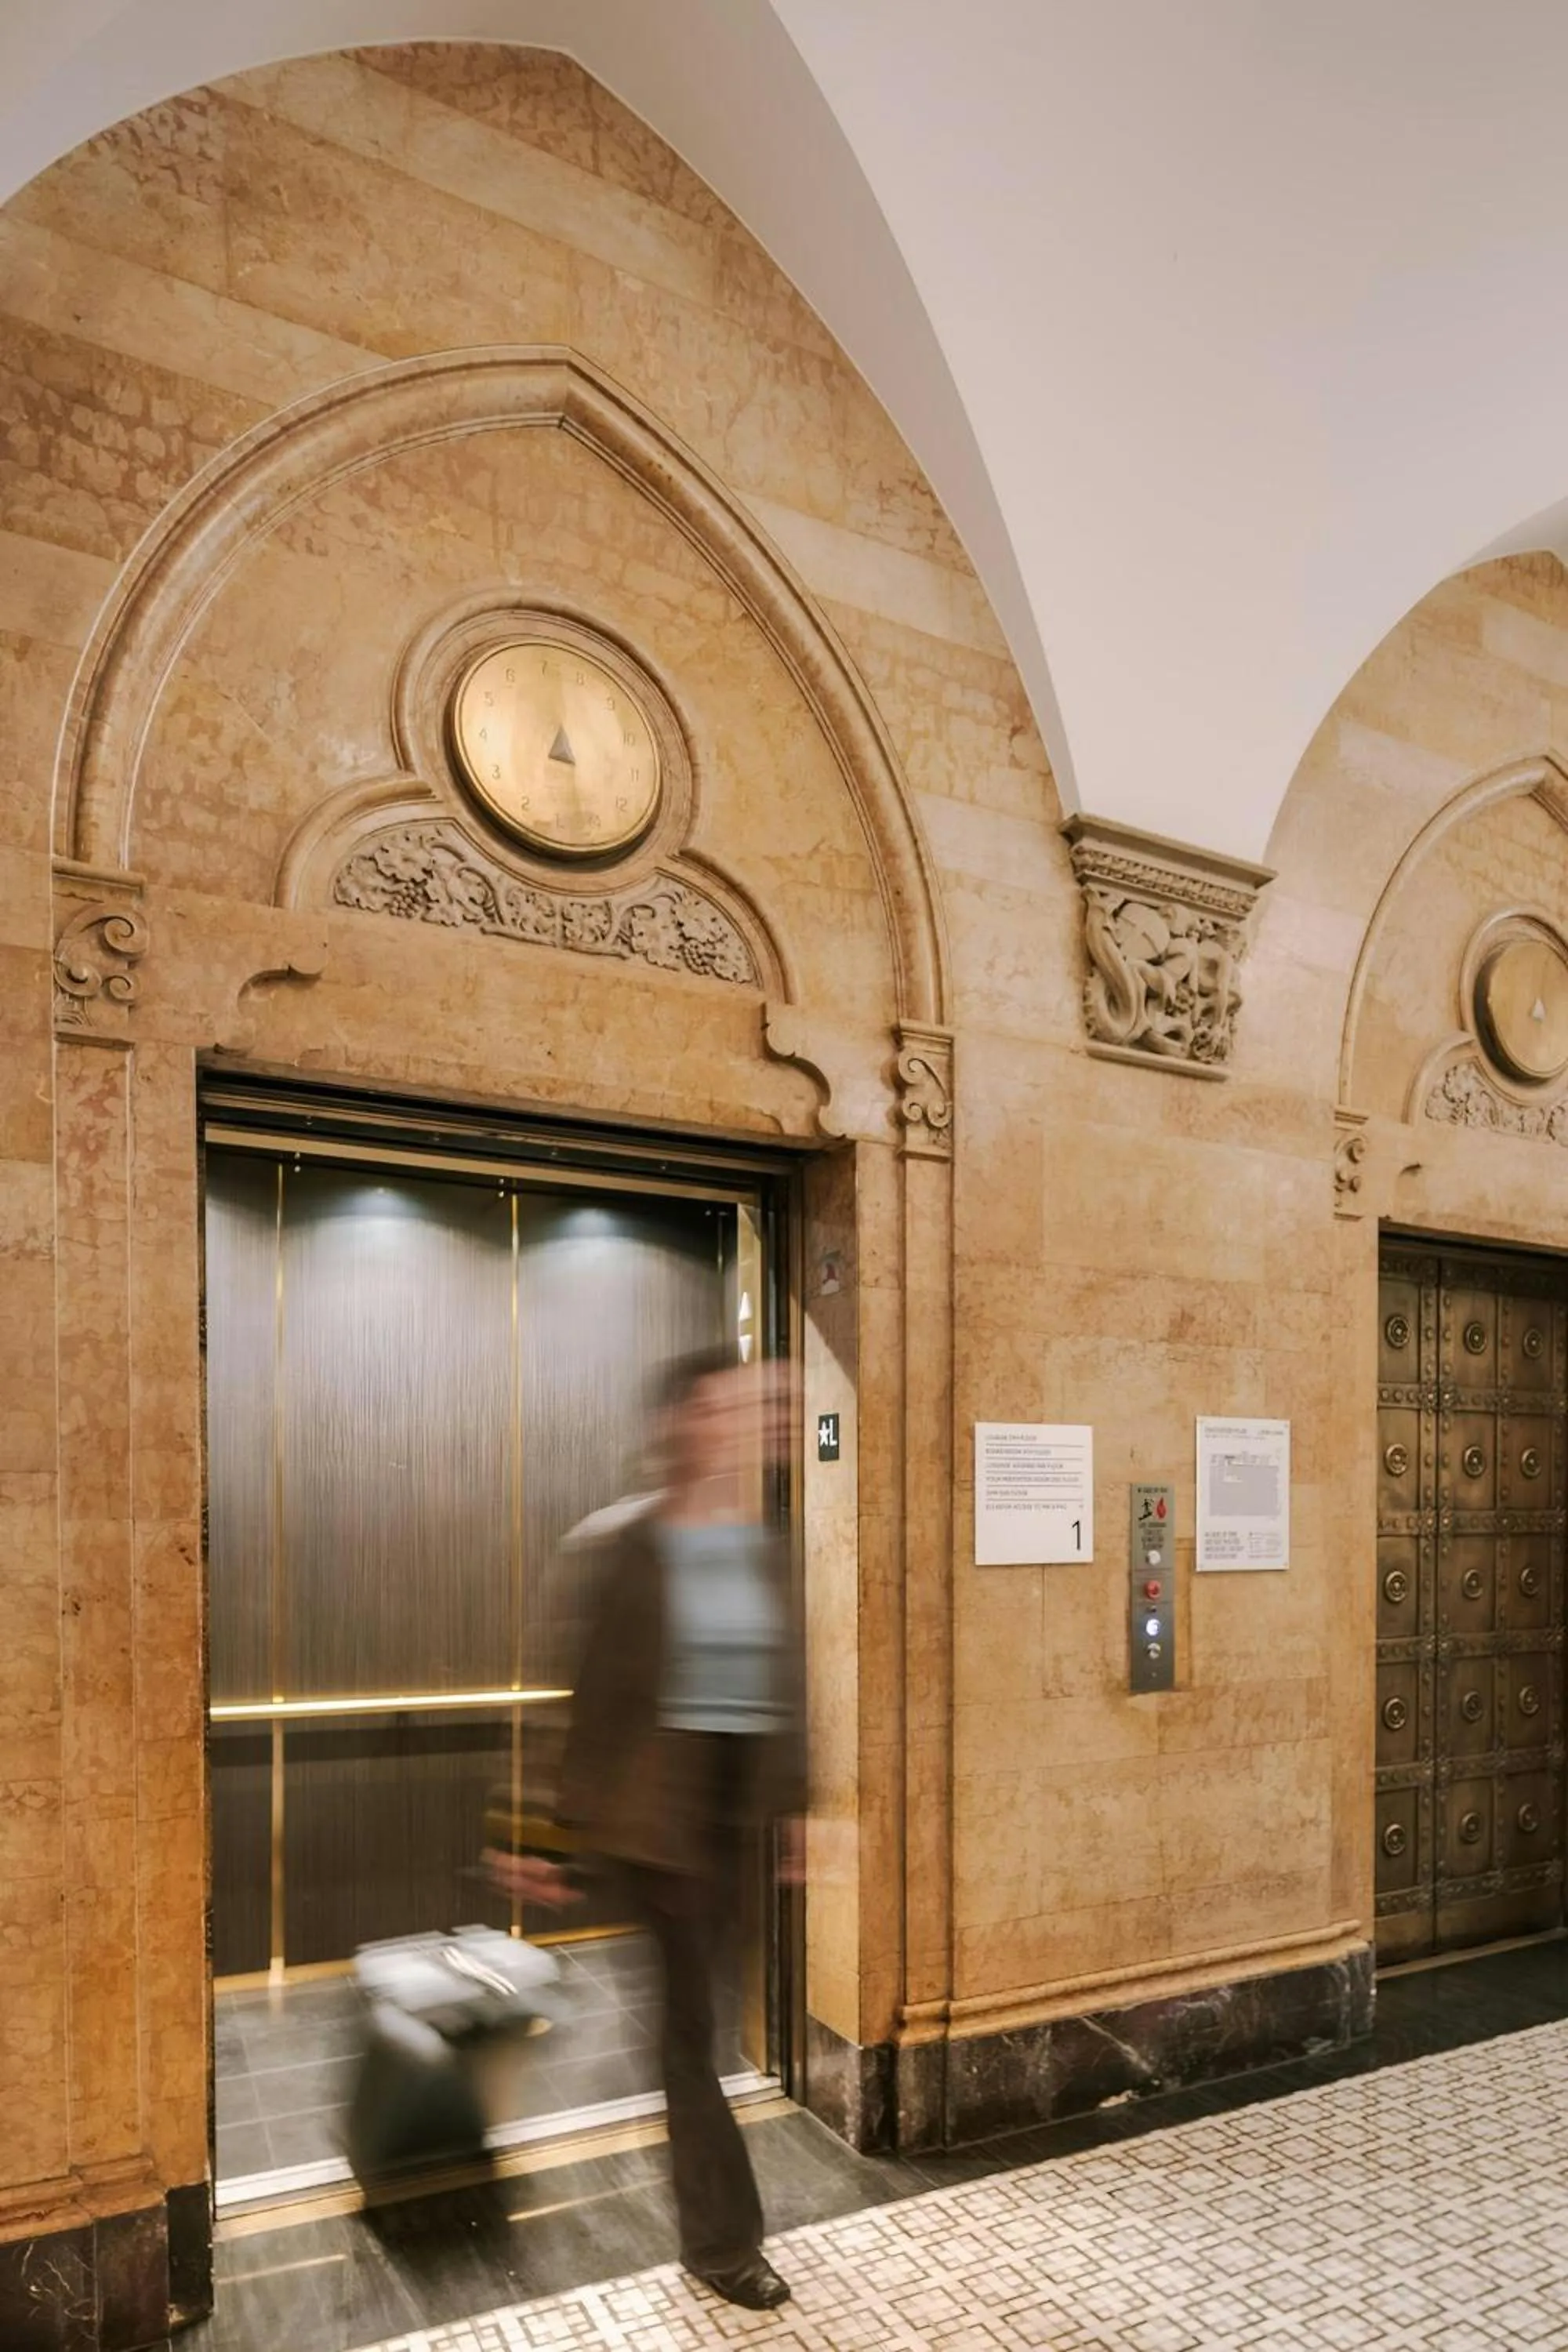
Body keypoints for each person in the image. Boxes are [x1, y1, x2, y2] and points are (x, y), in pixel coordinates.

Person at [487, 1348, 804, 2312]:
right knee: (691, 2037)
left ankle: (705, 2203)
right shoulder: (623, 1544)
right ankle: (721, 2242)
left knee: (695, 2028)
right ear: (674, 1424)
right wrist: (534, 1838)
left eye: (745, 1409)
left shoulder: (760, 1544)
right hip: (658, 1831)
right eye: (716, 1409)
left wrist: (799, 1816)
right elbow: (567, 1702)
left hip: (737, 1824)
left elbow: (787, 1692)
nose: (739, 1423)